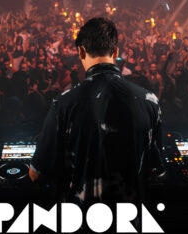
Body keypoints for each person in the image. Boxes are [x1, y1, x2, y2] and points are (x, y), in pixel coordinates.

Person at [29, 17, 163, 206]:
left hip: (81, 220)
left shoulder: (64, 103)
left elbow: (36, 173)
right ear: (115, 52)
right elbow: (155, 167)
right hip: (130, 219)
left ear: (81, 51)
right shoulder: (150, 100)